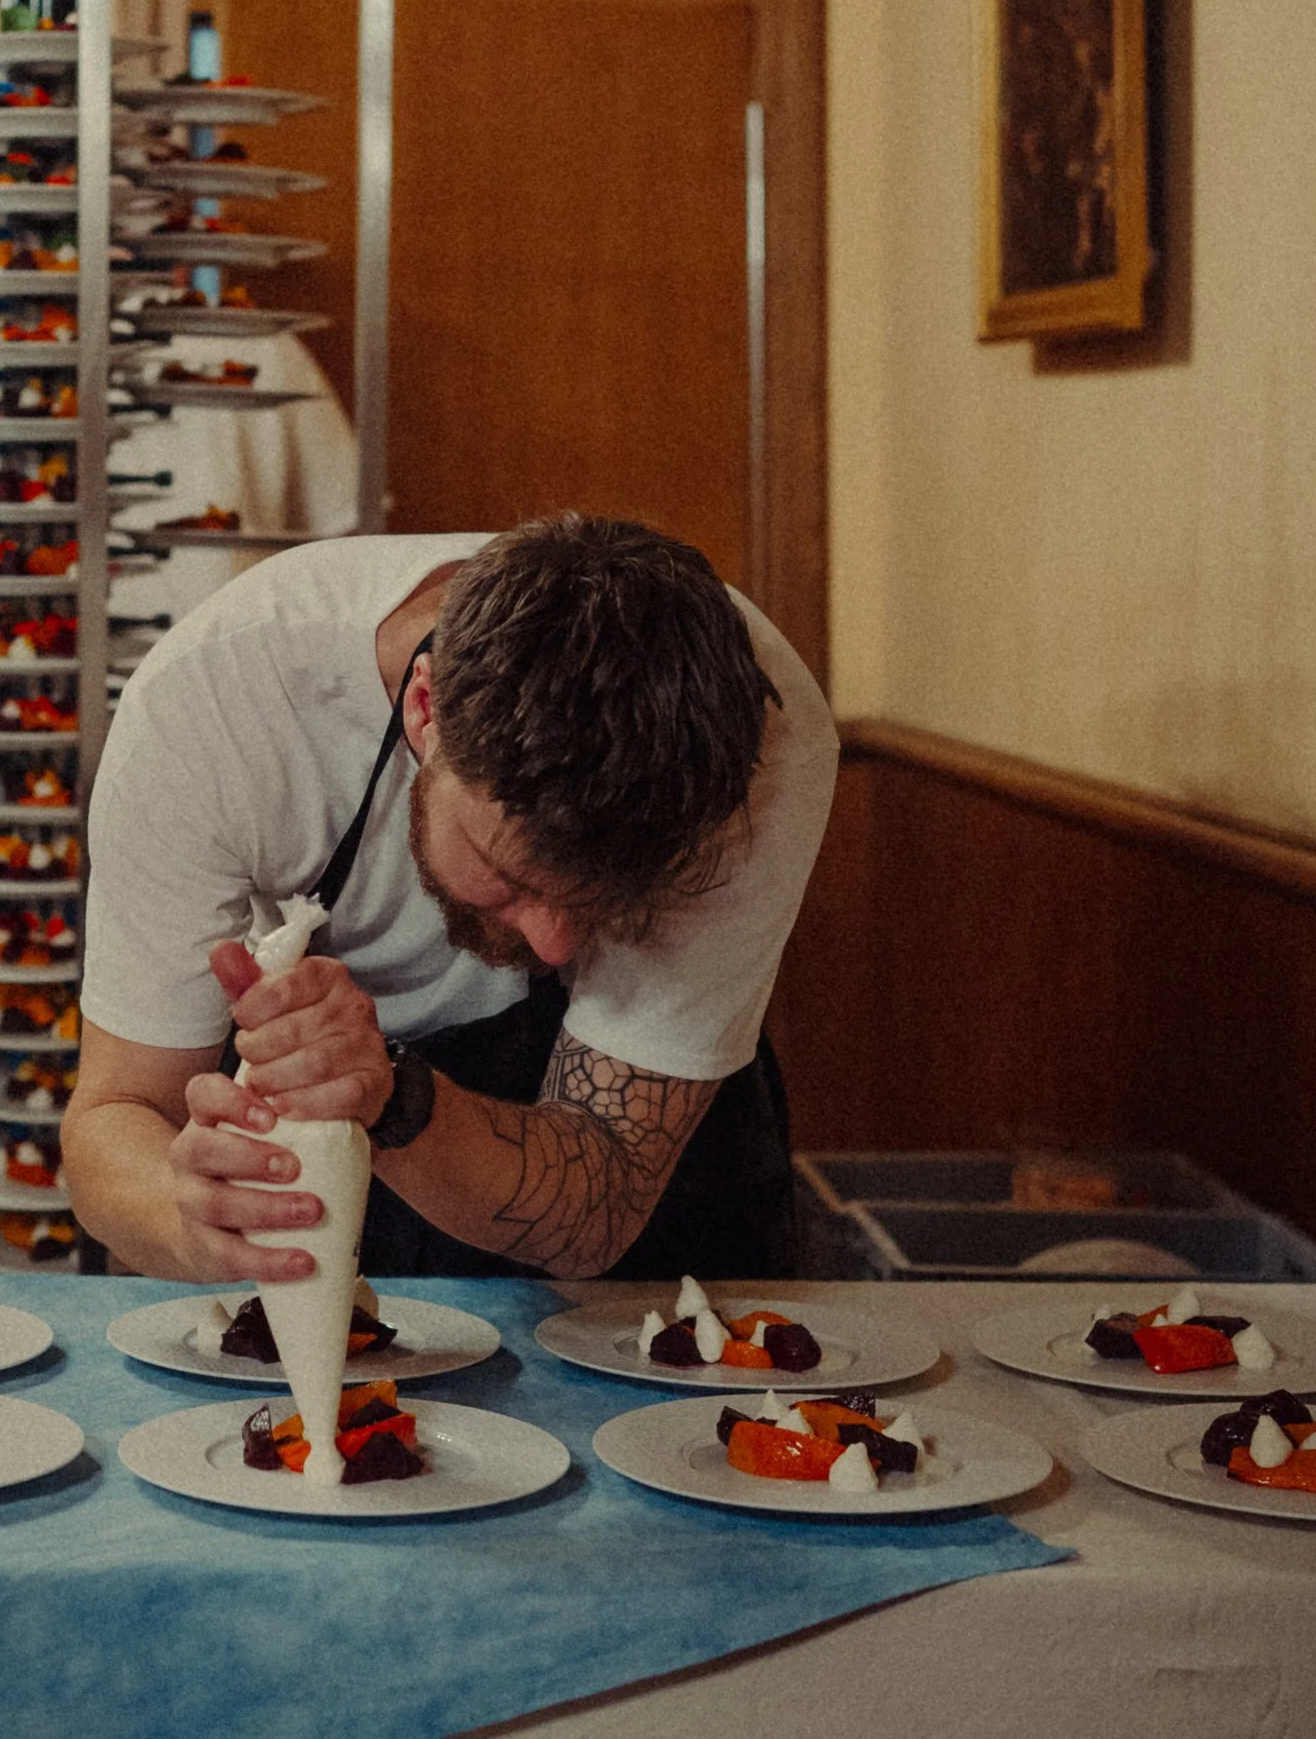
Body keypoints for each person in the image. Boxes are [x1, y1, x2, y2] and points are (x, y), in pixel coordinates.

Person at [63, 515, 839, 1285]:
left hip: (649, 1164)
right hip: (318, 1111)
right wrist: (185, 1217)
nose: (554, 947)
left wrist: (392, 1097)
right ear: (425, 712)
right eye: (514, 877)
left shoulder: (753, 737)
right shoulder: (218, 710)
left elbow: (598, 1203)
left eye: (607, 899)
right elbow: (115, 1117)